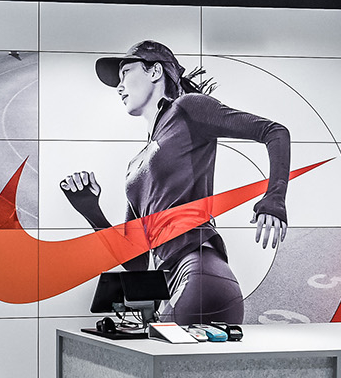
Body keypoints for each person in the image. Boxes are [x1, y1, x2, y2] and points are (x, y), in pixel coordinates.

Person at [58, 40, 289, 326]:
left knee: (155, 351)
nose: (119, 87)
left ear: (155, 72)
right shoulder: (135, 166)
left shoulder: (187, 108)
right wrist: (91, 211)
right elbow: (137, 262)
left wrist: (274, 198)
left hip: (199, 273)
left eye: (125, 73)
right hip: (172, 284)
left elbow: (275, 132)